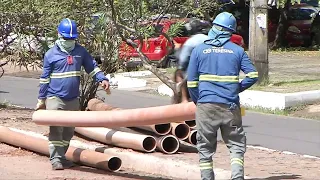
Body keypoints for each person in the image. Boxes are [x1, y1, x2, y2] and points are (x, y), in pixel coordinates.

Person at [187, 12, 258, 180]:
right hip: (230, 106)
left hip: (205, 106)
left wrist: (200, 101)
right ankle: (237, 177)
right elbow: (253, 75)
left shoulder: (199, 50)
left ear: (214, 28)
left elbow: (191, 83)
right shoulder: (237, 51)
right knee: (236, 145)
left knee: (205, 148)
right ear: (231, 31)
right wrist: (236, 89)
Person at [35, 18, 110, 170]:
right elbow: (44, 80)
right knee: (56, 130)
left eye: (72, 38)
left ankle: (62, 157)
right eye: (66, 38)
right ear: (59, 35)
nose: (69, 41)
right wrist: (41, 99)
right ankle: (56, 159)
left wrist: (101, 79)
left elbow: (92, 67)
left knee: (68, 131)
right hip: (55, 97)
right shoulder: (50, 55)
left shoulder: (80, 52)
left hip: (73, 99)